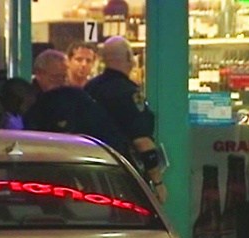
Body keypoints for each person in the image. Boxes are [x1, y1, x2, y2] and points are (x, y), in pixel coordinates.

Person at [84, 36, 167, 204]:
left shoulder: (89, 88)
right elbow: (142, 141)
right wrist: (158, 183)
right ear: (130, 58)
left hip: (91, 171)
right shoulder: (128, 92)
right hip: (122, 175)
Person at [24, 49, 129, 157]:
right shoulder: (27, 101)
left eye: (63, 77)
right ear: (39, 74)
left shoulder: (73, 99)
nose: (60, 83)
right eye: (54, 78)